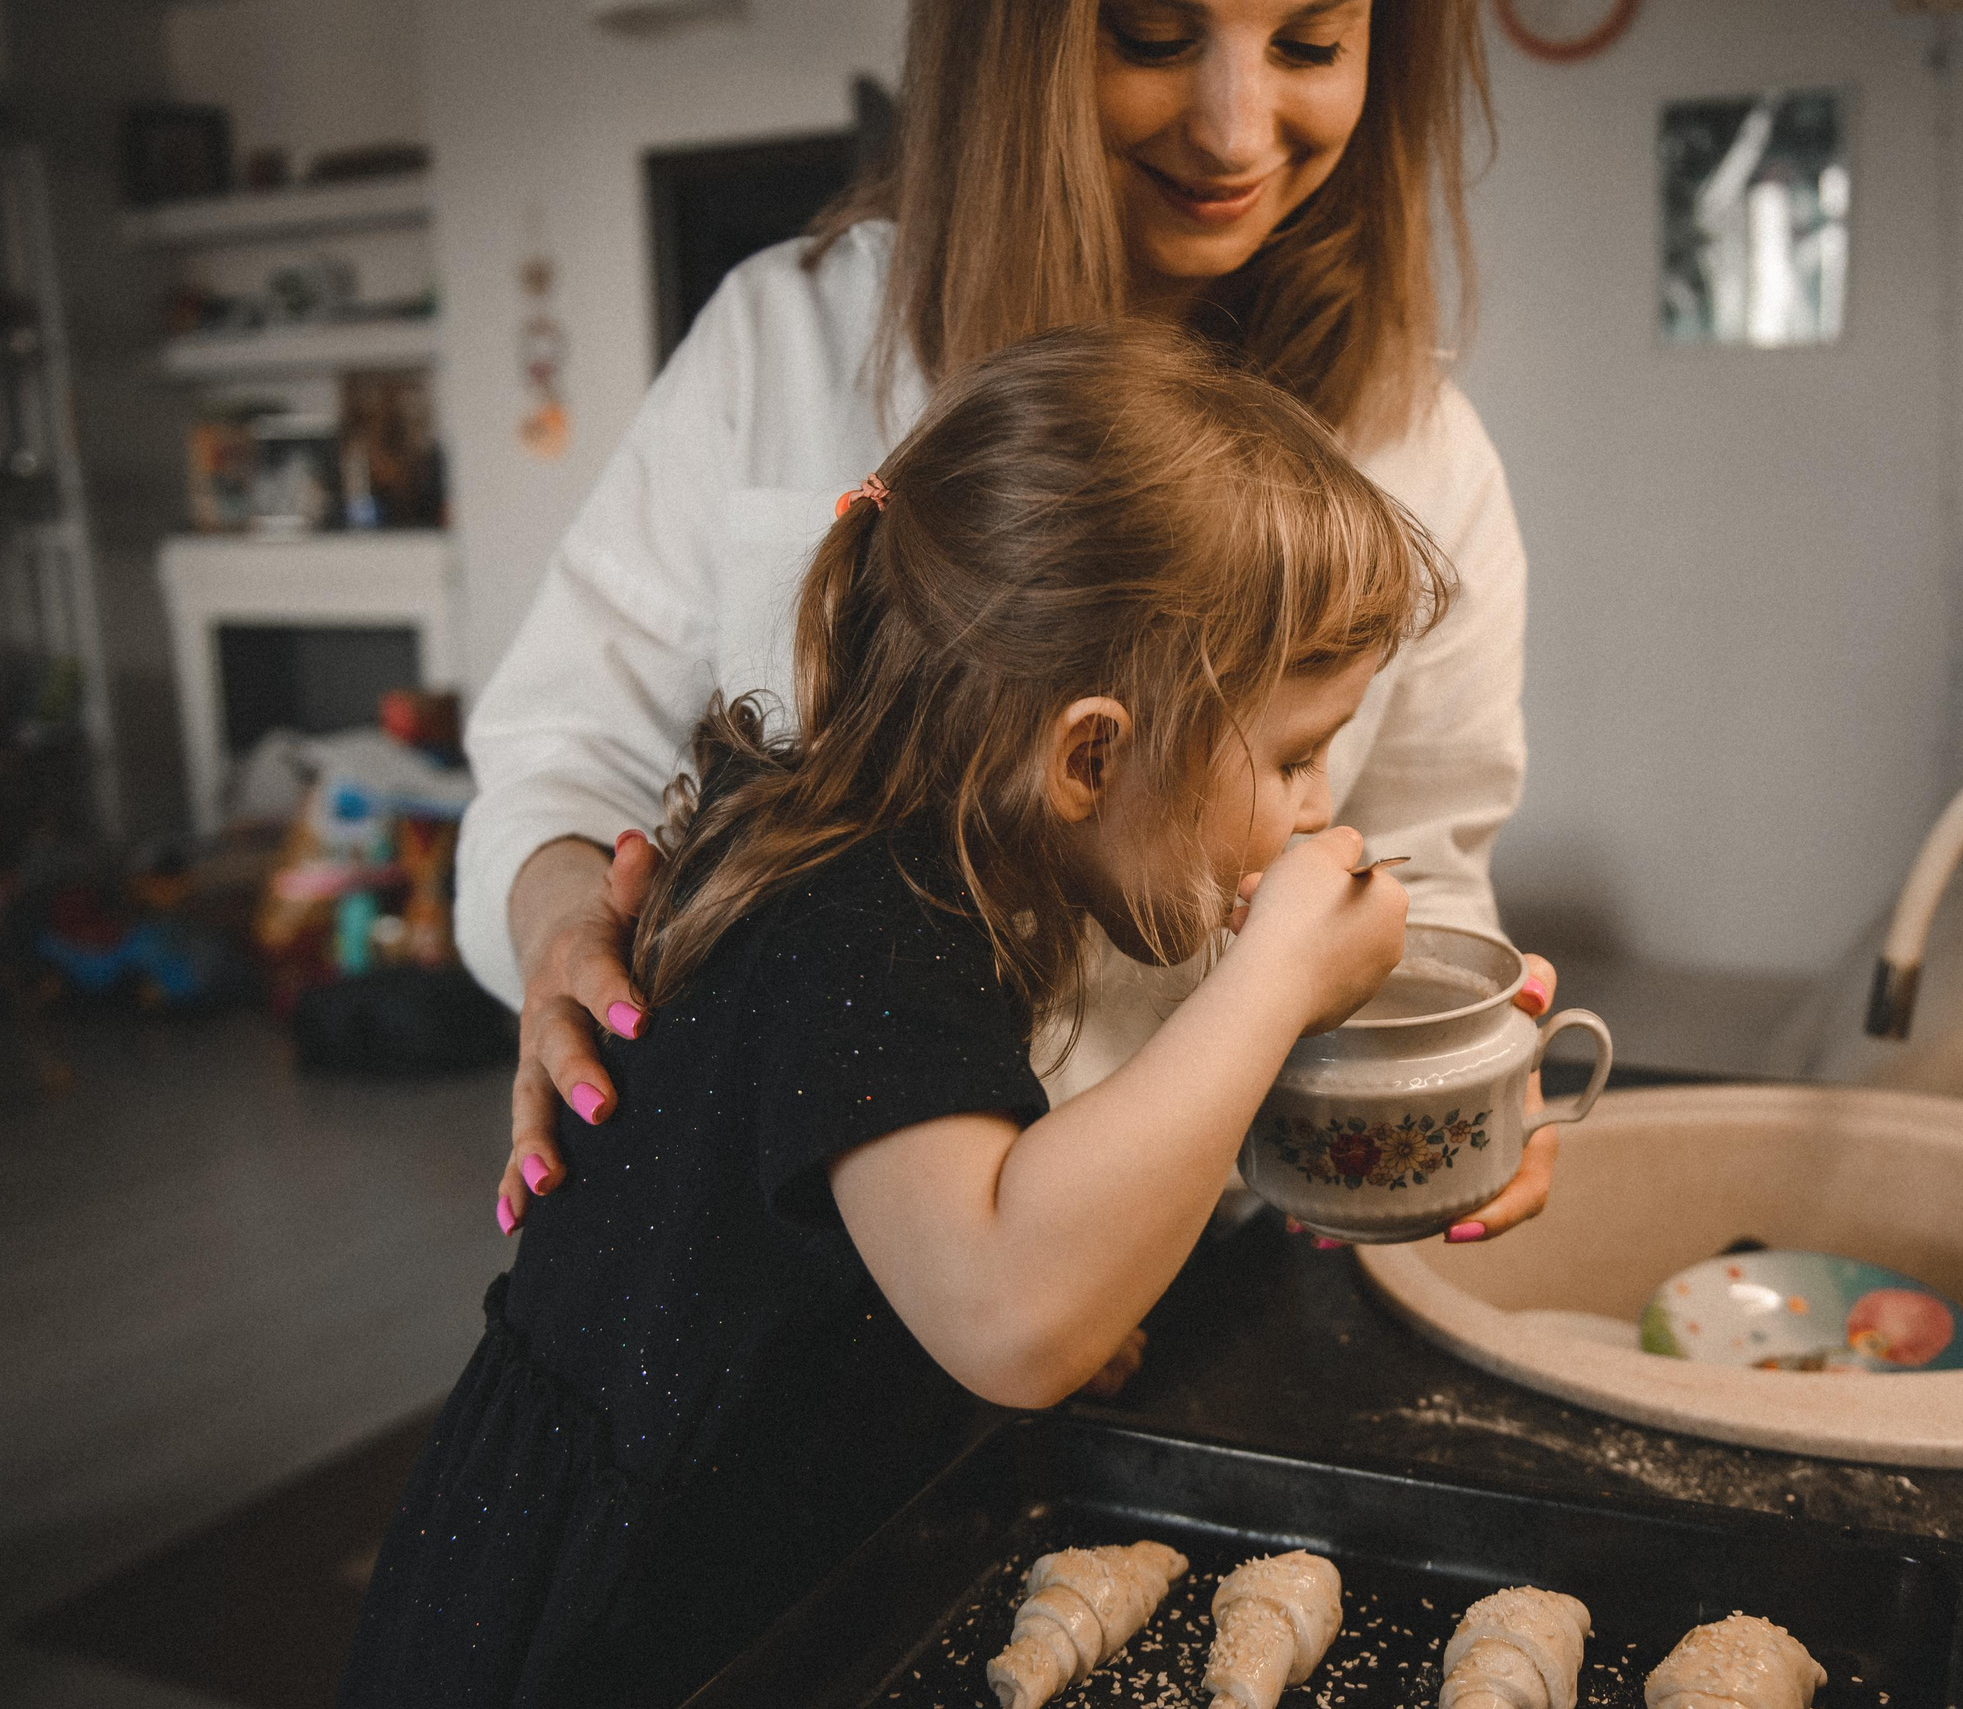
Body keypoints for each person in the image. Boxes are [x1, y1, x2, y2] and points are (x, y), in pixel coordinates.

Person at [344, 322, 1446, 1709]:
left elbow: (919, 1217)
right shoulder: (858, 919)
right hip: (608, 1626)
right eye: (1292, 755)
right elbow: (1009, 1311)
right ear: (1089, 753)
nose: (1316, 807)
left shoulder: (912, 858)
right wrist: (1274, 979)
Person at [464, 0, 1557, 1265]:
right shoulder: (787, 341)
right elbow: (563, 757)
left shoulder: (1420, 445)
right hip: (785, 1292)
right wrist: (561, 929)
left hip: (1182, 1259)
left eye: (1309, 47)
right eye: (1151, 36)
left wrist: (1450, 1064)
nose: (1234, 131)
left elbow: (1412, 867)